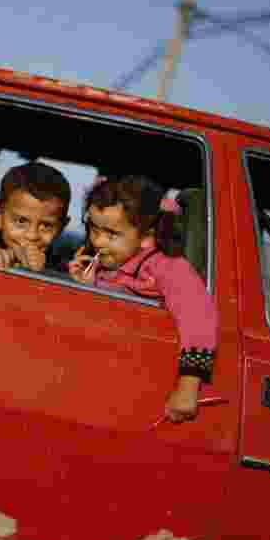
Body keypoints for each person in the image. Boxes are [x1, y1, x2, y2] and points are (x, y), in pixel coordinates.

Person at [68, 175, 216, 423]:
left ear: (146, 237)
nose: (98, 241)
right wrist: (87, 287)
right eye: (93, 228)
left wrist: (188, 386)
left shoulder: (167, 268)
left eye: (112, 234)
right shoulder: (105, 264)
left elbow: (199, 317)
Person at [0, 162, 71, 272]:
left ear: (61, 228)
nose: (32, 236)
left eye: (46, 226)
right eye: (21, 221)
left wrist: (42, 274)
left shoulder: (63, 269)